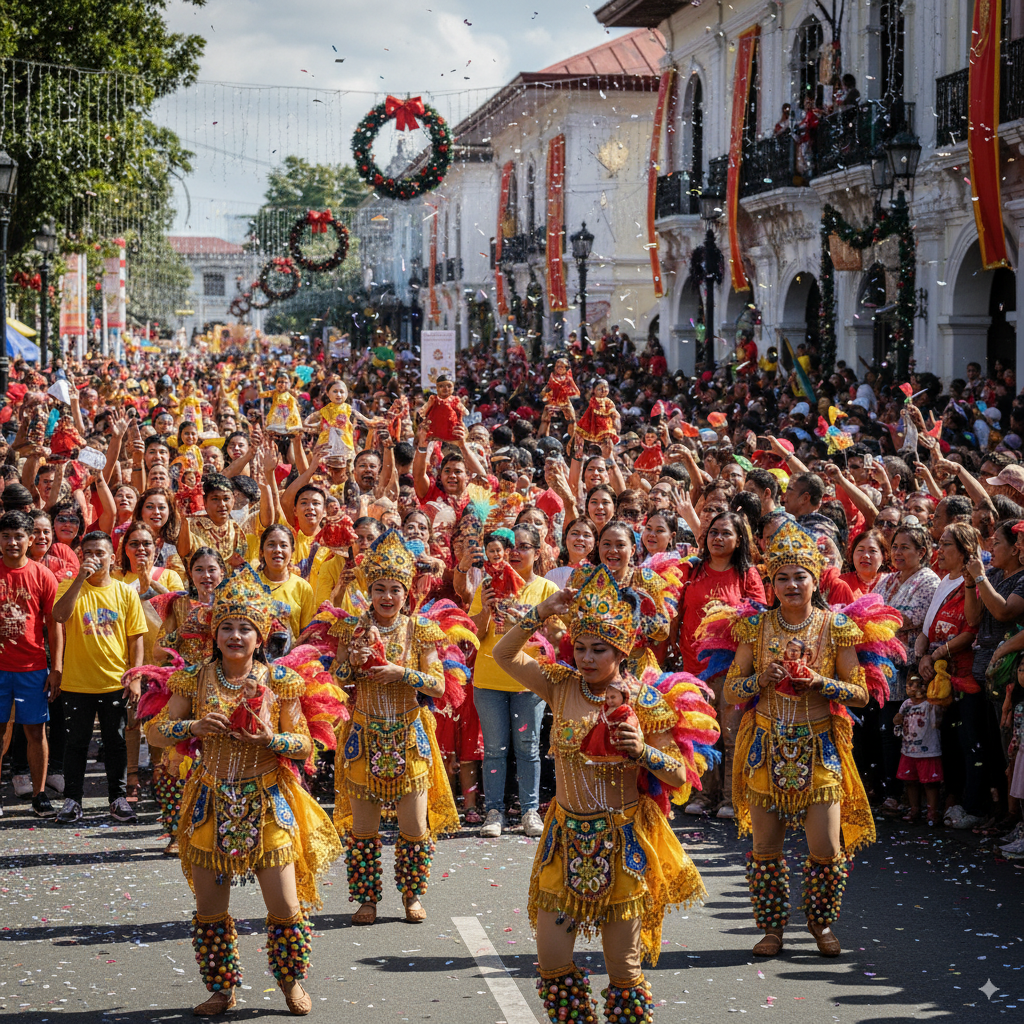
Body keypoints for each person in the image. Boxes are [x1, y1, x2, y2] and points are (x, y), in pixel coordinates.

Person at [492, 564, 718, 1024]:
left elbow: (679, 776)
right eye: (580, 647)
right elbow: (503, 654)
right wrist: (542, 610)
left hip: (621, 846)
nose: (586, 658)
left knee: (624, 973)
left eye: (599, 649)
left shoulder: (646, 701)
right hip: (565, 842)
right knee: (552, 967)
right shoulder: (560, 685)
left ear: (622, 650)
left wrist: (643, 752)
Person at [144, 565, 342, 1016]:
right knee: (209, 908)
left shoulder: (280, 681)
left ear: (260, 636)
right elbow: (156, 732)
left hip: (266, 800)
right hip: (211, 801)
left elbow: (304, 744)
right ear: (215, 635)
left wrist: (270, 739)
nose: (236, 636)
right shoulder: (194, 678)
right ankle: (221, 989)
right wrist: (192, 726)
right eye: (227, 627)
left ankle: (291, 981)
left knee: (285, 904)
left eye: (245, 628)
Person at [711, 521, 899, 957]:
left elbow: (860, 694)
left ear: (816, 580)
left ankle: (820, 922)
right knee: (765, 849)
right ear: (772, 584)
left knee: (827, 848)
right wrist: (760, 679)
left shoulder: (836, 626)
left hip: (819, 748)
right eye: (782, 578)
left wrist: (820, 682)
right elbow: (732, 692)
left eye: (800, 576)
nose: (792, 585)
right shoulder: (755, 628)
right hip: (766, 748)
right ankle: (772, 929)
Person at [332, 529, 475, 924]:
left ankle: (412, 895)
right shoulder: (352, 629)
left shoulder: (420, 629)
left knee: (414, 828)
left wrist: (401, 673)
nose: (387, 596)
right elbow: (335, 681)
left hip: (409, 737)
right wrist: (352, 663)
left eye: (395, 589)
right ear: (369, 590)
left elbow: (438, 685)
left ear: (405, 591)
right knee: (364, 831)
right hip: (364, 737)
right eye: (379, 588)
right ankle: (367, 900)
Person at [52, 531, 147, 825]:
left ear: (112, 558)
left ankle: (118, 799)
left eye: (100, 552)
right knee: (76, 744)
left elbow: (136, 639)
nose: (94, 558)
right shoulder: (69, 586)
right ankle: (72, 800)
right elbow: (59, 616)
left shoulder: (125, 592)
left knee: (116, 743)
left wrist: (135, 675)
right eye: (88, 553)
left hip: (114, 683)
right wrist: (79, 579)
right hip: (77, 683)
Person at [471, 522, 559, 839]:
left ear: (538, 552)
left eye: (523, 547)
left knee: (528, 747)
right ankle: (493, 811)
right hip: (489, 679)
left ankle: (529, 811)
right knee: (494, 749)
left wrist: (536, 627)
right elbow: (474, 632)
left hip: (529, 681)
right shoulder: (487, 585)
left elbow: (557, 636)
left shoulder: (546, 589)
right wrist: (487, 608)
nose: (515, 553)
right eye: (511, 547)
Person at [917, 524, 983, 828]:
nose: (939, 551)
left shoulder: (974, 583)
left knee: (970, 743)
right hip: (940, 675)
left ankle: (974, 807)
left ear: (964, 551)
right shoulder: (944, 580)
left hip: (965, 675)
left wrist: (936, 654)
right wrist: (922, 653)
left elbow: (970, 629)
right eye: (939, 544)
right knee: (949, 743)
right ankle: (952, 800)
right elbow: (928, 628)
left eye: (946, 545)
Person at [0, 510, 63, 818]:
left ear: (30, 539)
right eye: (6, 536)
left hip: (33, 668)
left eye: (18, 536)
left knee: (35, 734)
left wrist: (57, 668)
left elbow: (54, 625)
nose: (12, 542)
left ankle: (39, 795)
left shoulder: (42, 575)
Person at [874, 522, 939, 814]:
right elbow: (869, 609)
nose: (897, 552)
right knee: (882, 731)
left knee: (899, 731)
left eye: (905, 547)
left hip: (907, 668)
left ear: (921, 552)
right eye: (895, 546)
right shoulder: (887, 579)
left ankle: (901, 796)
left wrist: (881, 617)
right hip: (881, 666)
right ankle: (885, 790)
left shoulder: (928, 580)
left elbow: (912, 618)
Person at [894, 671, 944, 825]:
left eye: (920, 684)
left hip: (928, 750)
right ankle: (914, 809)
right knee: (910, 781)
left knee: (930, 783)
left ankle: (932, 812)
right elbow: (898, 726)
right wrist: (897, 723)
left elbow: (937, 722)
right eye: (910, 684)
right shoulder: (906, 705)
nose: (915, 688)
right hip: (908, 751)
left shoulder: (931, 704)